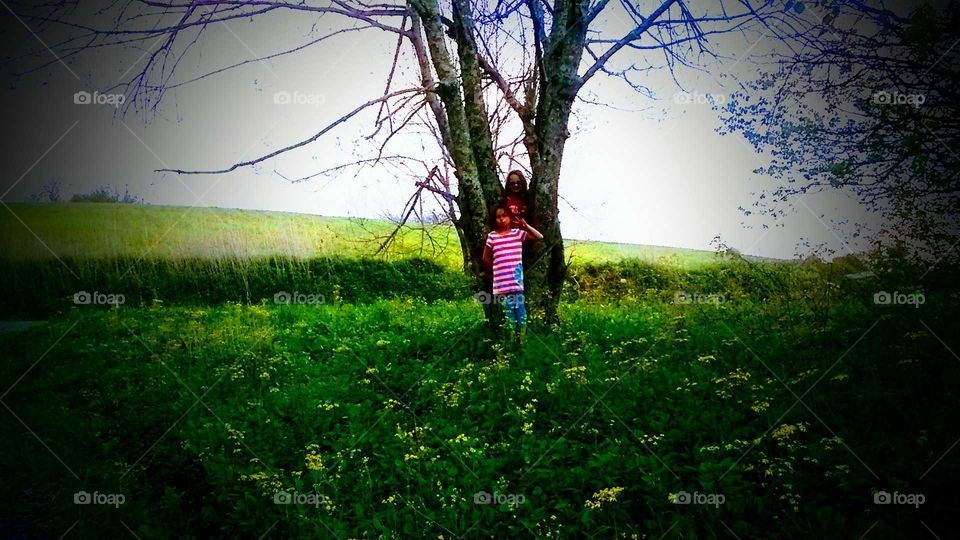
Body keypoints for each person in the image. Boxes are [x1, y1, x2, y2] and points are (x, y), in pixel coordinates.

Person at [482, 206, 543, 341]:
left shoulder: (517, 233)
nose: (501, 219)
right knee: (508, 315)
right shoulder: (492, 236)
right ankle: (510, 343)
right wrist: (496, 271)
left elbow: (539, 237)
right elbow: (485, 258)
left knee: (521, 313)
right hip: (502, 285)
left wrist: (526, 226)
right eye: (498, 217)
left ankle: (522, 341)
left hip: (516, 283)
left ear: (509, 217)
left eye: (504, 215)